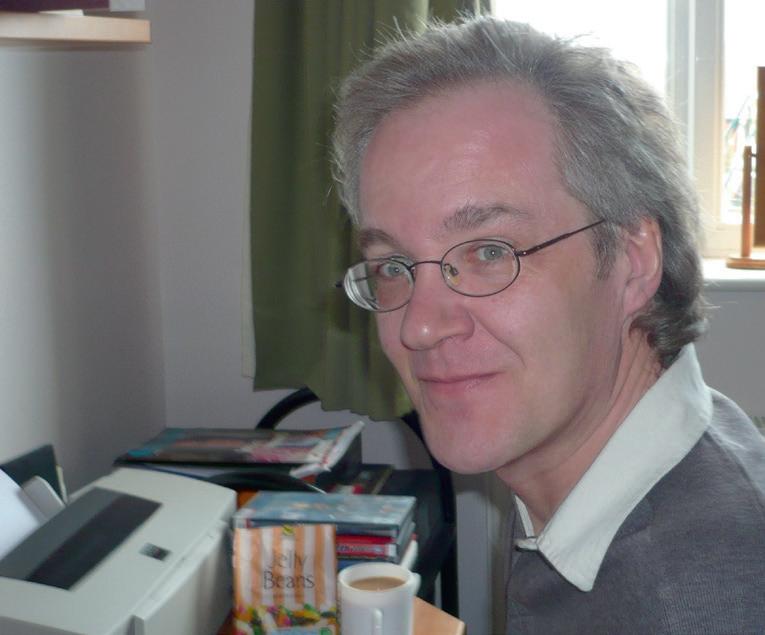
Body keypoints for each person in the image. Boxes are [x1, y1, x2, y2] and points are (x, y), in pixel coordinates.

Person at [330, 15, 765, 635]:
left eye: (489, 252)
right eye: (393, 266)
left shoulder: (699, 604)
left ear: (633, 260)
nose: (418, 329)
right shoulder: (580, 468)